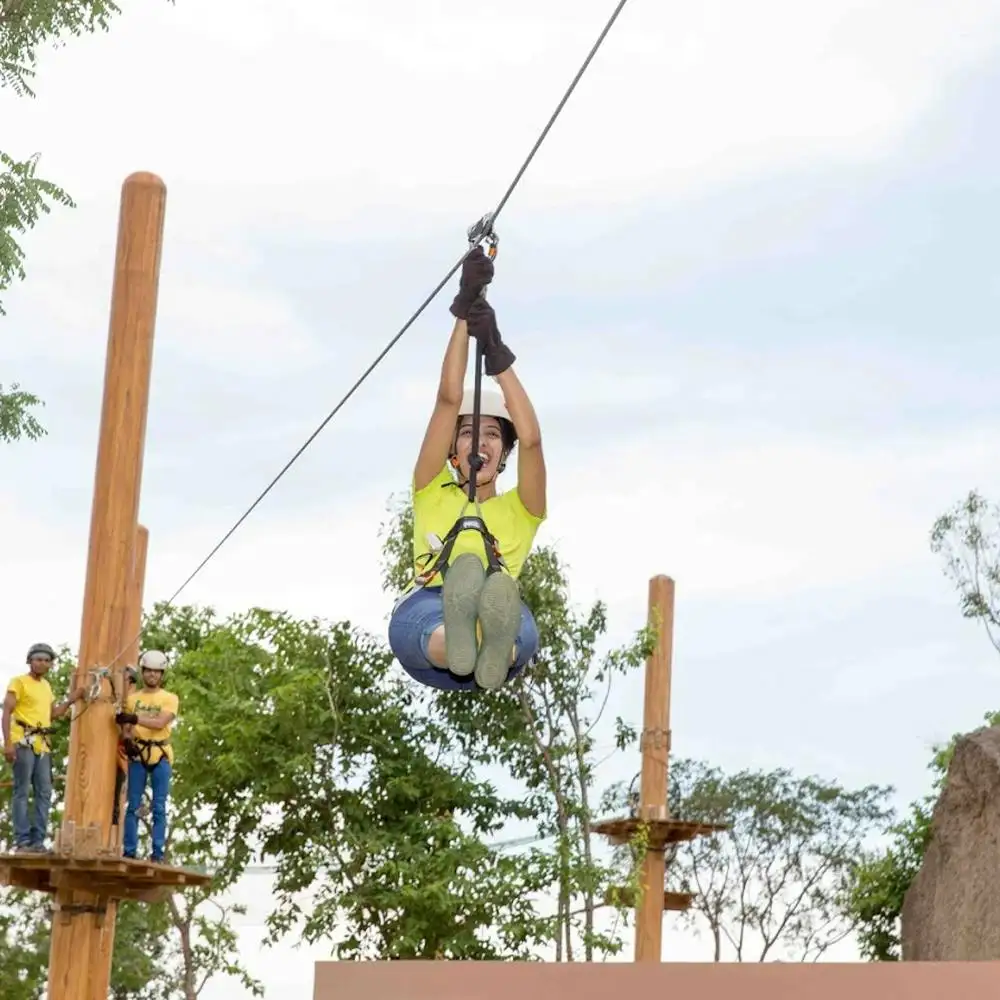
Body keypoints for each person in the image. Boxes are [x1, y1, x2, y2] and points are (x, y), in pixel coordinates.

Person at [388, 246, 547, 691]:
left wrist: (497, 354)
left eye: (494, 435)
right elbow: (448, 399)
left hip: (496, 614)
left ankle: (484, 640)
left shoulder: (522, 509)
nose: (480, 441)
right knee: (422, 625)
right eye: (468, 434)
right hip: (431, 605)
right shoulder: (431, 487)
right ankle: (461, 639)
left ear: (505, 454)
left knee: (518, 627)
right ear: (453, 452)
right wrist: (463, 310)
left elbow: (533, 439)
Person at [2, 642, 83, 852]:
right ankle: (22, 840)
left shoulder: (46, 686)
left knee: (44, 792)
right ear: (30, 661)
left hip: (42, 746)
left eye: (47, 661)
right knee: (22, 791)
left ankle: (38, 841)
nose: (43, 663)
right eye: (39, 659)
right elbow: (6, 712)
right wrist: (8, 743)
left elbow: (52, 714)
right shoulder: (18, 682)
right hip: (23, 741)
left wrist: (71, 700)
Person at [116, 650, 178, 863]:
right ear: (143, 672)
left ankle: (157, 853)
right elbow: (125, 728)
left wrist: (134, 718)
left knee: (159, 807)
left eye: (157, 672)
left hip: (160, 753)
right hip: (138, 752)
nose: (152, 675)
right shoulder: (132, 699)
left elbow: (160, 723)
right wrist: (127, 739)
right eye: (149, 671)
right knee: (132, 805)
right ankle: (129, 851)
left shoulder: (170, 698)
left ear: (162, 674)